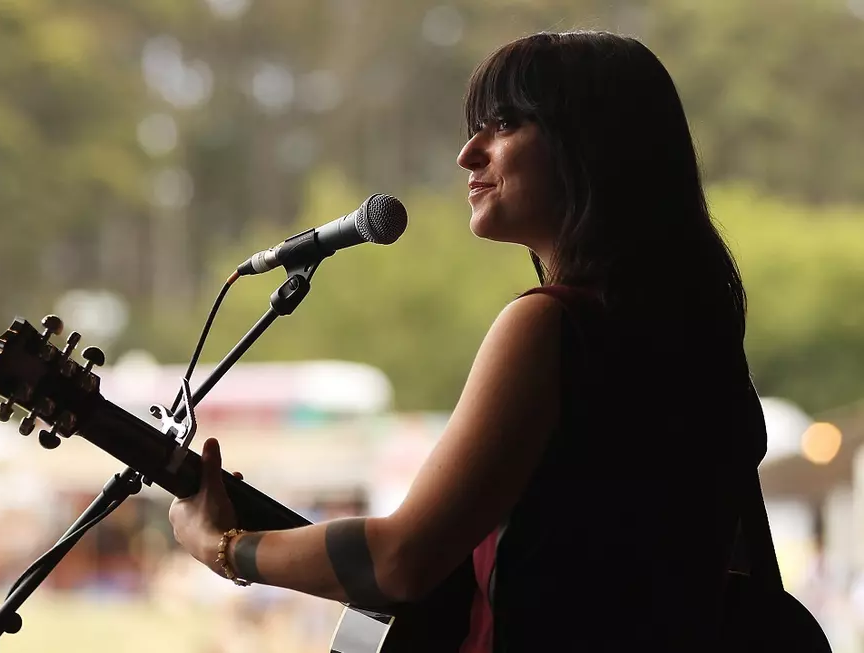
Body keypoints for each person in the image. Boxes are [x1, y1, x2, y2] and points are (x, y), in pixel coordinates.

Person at [169, 30, 766, 651]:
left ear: (589, 145)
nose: (467, 154)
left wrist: (226, 548)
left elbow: (401, 559)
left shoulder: (552, 326)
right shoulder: (698, 343)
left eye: (503, 124)